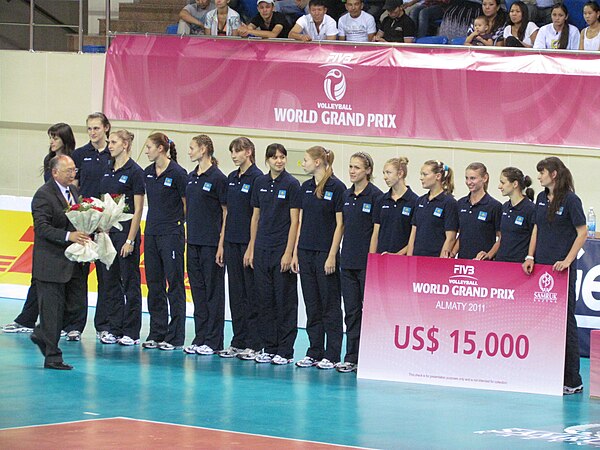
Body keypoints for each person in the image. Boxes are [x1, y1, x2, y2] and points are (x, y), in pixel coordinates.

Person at [3, 123, 76, 334]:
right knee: (39, 278)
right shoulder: (49, 162)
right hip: (52, 226)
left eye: (55, 138)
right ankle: (30, 321)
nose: (52, 142)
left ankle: (57, 327)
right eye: (50, 138)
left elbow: (73, 195)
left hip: (67, 225)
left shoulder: (72, 161)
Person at [522, 157, 587, 395]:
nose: (539, 177)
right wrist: (530, 256)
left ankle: (573, 379)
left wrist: (568, 260)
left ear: (554, 174)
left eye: (542, 173)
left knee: (566, 322)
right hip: (541, 268)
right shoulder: (539, 198)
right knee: (542, 322)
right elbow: (537, 227)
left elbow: (582, 232)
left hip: (562, 271)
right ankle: (547, 374)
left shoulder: (571, 200)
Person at [30, 155, 90, 370]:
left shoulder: (73, 192)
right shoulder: (43, 195)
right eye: (68, 171)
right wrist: (68, 236)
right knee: (52, 312)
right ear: (55, 172)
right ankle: (52, 357)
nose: (73, 174)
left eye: (74, 170)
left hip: (72, 262)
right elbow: (42, 228)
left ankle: (41, 333)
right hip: (51, 263)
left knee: (76, 306)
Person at [246, 144, 301, 365]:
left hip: (281, 250)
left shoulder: (292, 184)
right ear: (267, 160)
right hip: (261, 249)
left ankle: (285, 350)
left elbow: (295, 221)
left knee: (284, 300)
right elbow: (255, 217)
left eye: (282, 157)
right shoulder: (259, 182)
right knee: (264, 300)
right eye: (274, 157)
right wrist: (251, 247)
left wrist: (288, 252)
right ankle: (269, 346)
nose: (279, 161)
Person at [292, 146, 345, 369]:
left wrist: (332, 255)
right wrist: (295, 252)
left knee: (329, 305)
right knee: (312, 304)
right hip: (305, 252)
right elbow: (301, 222)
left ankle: (332, 354)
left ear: (317, 162)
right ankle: (314, 350)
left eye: (305, 160)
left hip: (325, 254)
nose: (302, 164)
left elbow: (340, 224)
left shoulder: (337, 187)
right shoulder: (305, 188)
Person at [97, 130, 145, 346]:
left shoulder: (135, 172)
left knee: (130, 282)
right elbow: (103, 202)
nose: (110, 145)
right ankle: (114, 328)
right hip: (109, 234)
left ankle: (131, 331)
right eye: (110, 142)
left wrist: (130, 240)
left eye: (114, 142)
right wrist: (101, 227)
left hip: (125, 234)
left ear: (125, 144)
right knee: (110, 281)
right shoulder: (107, 169)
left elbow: (138, 209)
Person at [183, 135, 228, 356]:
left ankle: (213, 340)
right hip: (193, 243)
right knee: (198, 293)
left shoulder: (218, 178)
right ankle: (200, 336)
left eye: (192, 148)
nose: (189, 152)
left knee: (213, 293)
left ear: (203, 149)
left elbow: (225, 212)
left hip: (211, 244)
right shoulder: (191, 177)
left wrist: (221, 244)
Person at [142, 133, 187, 351]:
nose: (147, 151)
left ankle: (175, 336)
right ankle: (157, 331)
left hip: (171, 235)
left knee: (175, 283)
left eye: (149, 147)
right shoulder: (147, 173)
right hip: (151, 233)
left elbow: (187, 204)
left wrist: (176, 224)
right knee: (154, 284)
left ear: (161, 148)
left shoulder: (178, 173)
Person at [338, 152, 382, 373]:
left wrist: (372, 259)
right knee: (352, 311)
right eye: (350, 166)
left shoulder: (376, 196)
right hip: (347, 261)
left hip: (366, 263)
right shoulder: (346, 195)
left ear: (367, 170)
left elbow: (376, 231)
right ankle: (351, 356)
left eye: (357, 167)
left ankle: (370, 356)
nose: (352, 171)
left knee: (370, 311)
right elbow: (342, 226)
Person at [220, 137, 263, 360]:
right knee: (235, 294)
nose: (234, 155)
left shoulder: (258, 179)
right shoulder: (231, 178)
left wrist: (252, 247)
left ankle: (254, 344)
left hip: (248, 244)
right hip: (231, 242)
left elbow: (257, 216)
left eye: (237, 151)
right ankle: (238, 341)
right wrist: (222, 244)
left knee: (250, 295)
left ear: (248, 152)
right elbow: (226, 213)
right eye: (232, 152)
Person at [72, 112, 112, 343]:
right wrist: (79, 216)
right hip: (84, 226)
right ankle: (75, 325)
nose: (92, 132)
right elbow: (75, 189)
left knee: (105, 278)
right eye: (89, 128)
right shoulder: (80, 155)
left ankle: (103, 326)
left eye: (96, 128)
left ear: (106, 128)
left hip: (105, 227)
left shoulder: (112, 154)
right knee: (79, 278)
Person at [407, 160, 458, 257]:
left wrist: (440, 261)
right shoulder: (420, 201)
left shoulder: (449, 202)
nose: (421, 178)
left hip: (435, 258)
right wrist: (409, 257)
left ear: (438, 176)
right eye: (421, 174)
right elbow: (414, 232)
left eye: (425, 174)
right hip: (417, 258)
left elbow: (450, 237)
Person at [453, 162, 502, 260]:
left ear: (484, 178)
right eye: (466, 178)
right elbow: (462, 234)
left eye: (473, 178)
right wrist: (453, 253)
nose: (468, 182)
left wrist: (488, 255)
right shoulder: (461, 203)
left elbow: (501, 237)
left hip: (483, 264)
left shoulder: (494, 206)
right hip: (463, 263)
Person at [370, 157, 418, 255]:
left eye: (388, 173)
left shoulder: (415, 201)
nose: (385, 177)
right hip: (381, 257)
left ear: (400, 174)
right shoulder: (381, 200)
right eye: (384, 173)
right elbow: (376, 233)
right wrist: (372, 256)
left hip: (402, 259)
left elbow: (414, 237)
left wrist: (397, 256)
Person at [495, 167, 535, 263]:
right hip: (501, 262)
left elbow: (535, 237)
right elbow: (502, 237)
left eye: (503, 183)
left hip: (519, 264)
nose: (499, 186)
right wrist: (489, 255)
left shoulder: (530, 209)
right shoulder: (505, 207)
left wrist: (530, 258)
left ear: (515, 184)